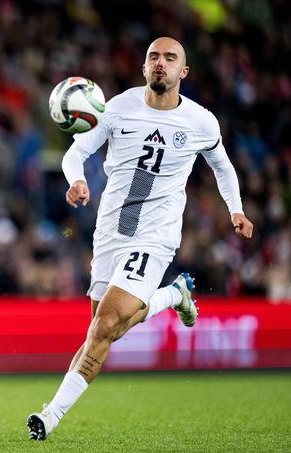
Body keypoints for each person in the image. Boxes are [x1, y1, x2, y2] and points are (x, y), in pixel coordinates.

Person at [27, 37, 254, 441]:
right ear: (143, 68)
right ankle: (174, 295)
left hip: (156, 234)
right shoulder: (117, 109)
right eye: (153, 57)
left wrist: (235, 208)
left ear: (184, 71)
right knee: (105, 328)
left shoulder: (201, 122)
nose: (160, 63)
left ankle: (49, 416)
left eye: (170, 58)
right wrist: (76, 179)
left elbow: (223, 167)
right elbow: (74, 154)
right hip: (111, 230)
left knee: (105, 324)